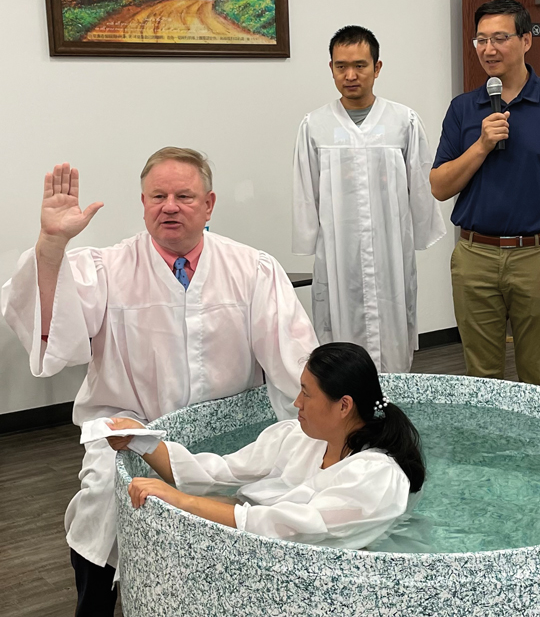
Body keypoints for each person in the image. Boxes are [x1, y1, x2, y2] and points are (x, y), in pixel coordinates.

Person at [1, 147, 318, 616]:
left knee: (272, 496)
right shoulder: (106, 268)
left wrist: (323, 431)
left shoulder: (251, 269)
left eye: (184, 196)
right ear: (144, 202)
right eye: (158, 195)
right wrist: (51, 245)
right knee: (101, 503)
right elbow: (53, 333)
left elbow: (294, 358)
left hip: (226, 430)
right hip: (130, 429)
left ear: (209, 205)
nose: (170, 205)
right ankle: (94, 604)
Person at [107, 342, 425, 549]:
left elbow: (290, 528)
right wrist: (140, 439)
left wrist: (183, 502)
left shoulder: (376, 478)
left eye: (307, 394)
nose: (296, 402)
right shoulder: (298, 437)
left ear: (344, 406)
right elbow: (220, 471)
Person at [430, 0, 540, 387]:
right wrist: (481, 145)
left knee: (538, 374)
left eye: (500, 38)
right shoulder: (463, 108)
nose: (489, 49)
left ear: (526, 40)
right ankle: (487, 449)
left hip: (538, 256)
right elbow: (439, 186)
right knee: (481, 378)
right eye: (480, 40)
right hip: (475, 256)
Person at [293, 25, 446, 374]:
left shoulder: (402, 122)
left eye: (360, 65)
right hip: (337, 251)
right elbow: (305, 190)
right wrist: (309, 239)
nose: (350, 75)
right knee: (339, 332)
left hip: (390, 249)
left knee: (392, 332)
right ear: (330, 67)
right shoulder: (315, 126)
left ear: (377, 68)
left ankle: (392, 410)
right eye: (341, 66)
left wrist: (420, 232)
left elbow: (420, 185)